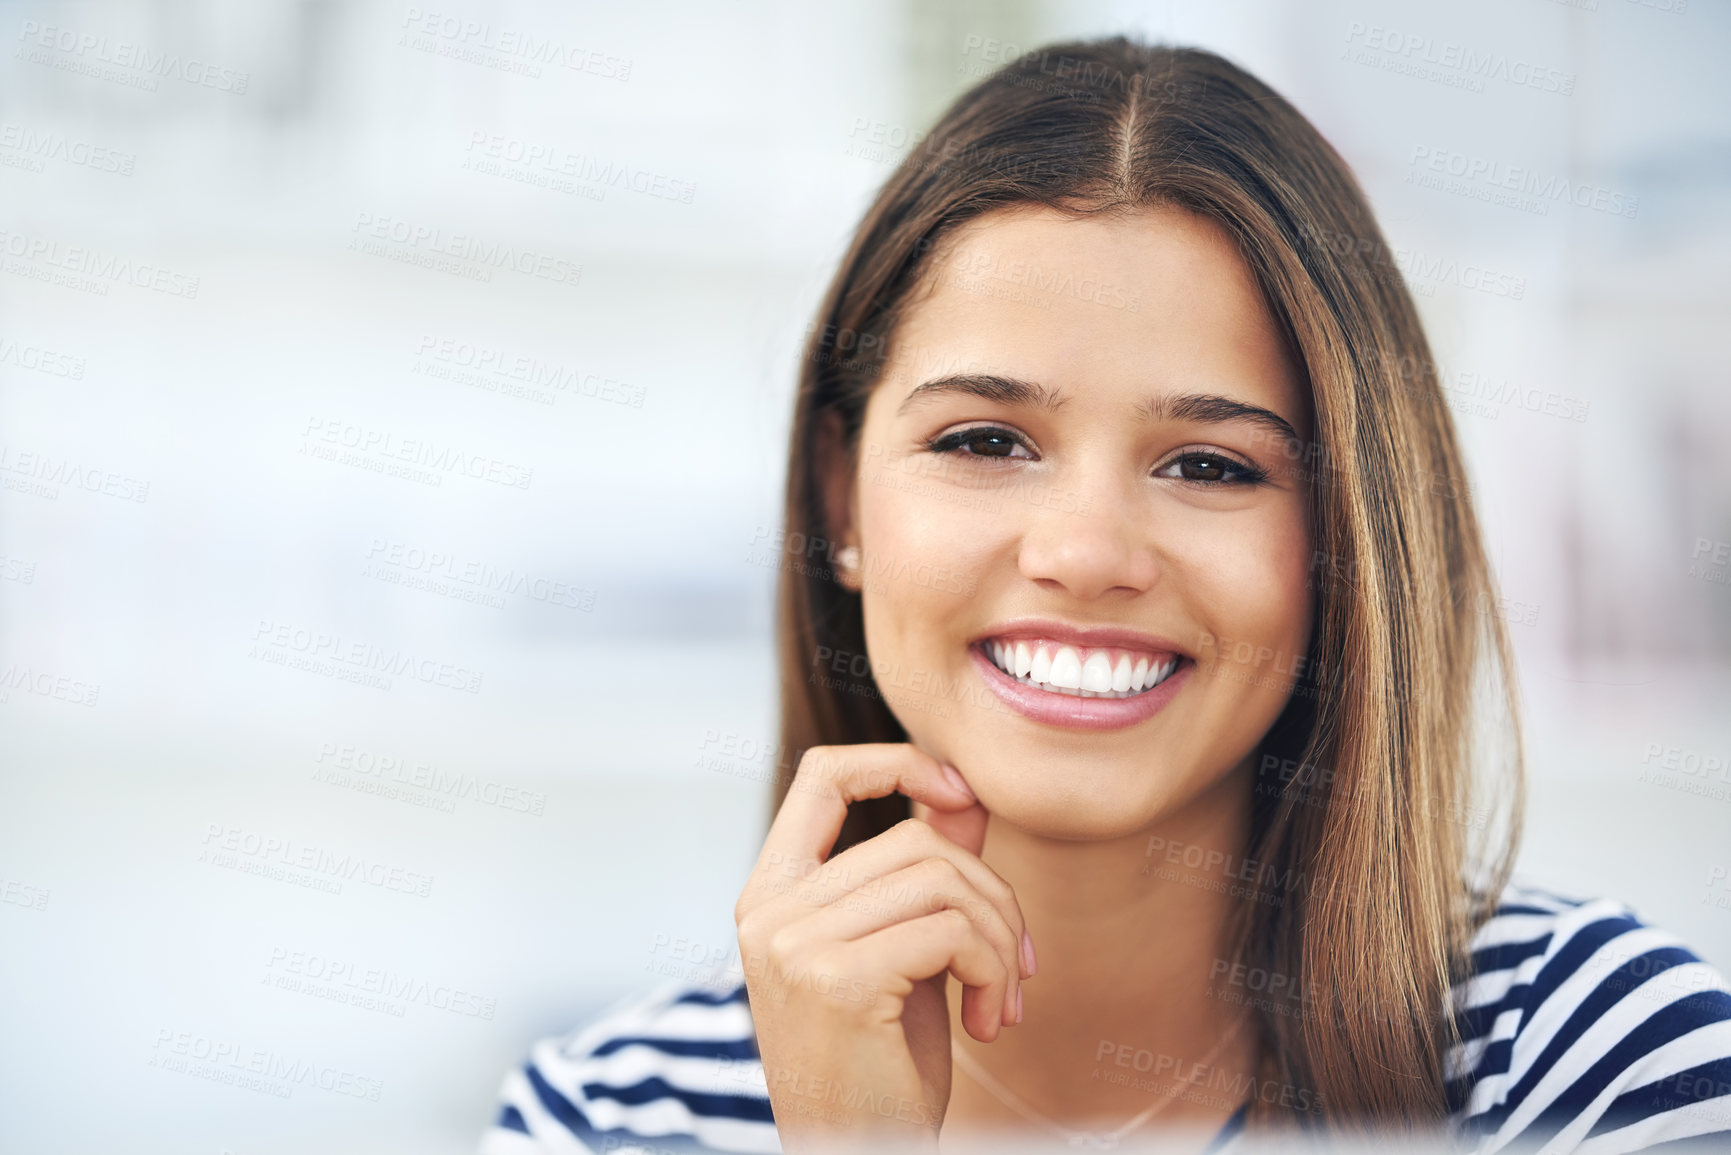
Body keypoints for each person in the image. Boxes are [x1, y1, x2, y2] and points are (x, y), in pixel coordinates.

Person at [479, 38, 1731, 1154]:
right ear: (841, 502)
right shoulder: (610, 1119)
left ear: (1350, 535)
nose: (1085, 553)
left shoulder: (1602, 1070)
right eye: (985, 442)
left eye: (1210, 465)